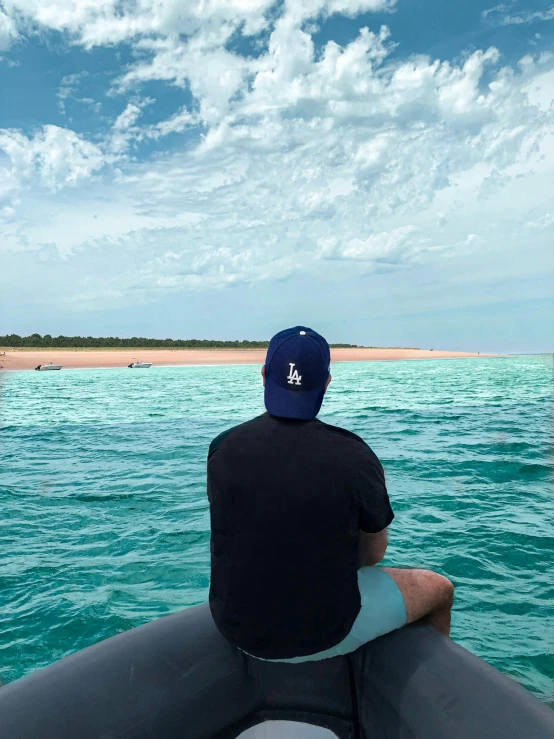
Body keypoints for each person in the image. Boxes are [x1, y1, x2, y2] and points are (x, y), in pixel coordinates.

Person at [207, 326, 454, 662]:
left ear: (264, 376)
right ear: (326, 382)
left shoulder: (222, 447)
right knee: (440, 590)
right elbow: (374, 554)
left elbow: (227, 537)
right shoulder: (356, 457)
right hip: (324, 633)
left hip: (235, 626)